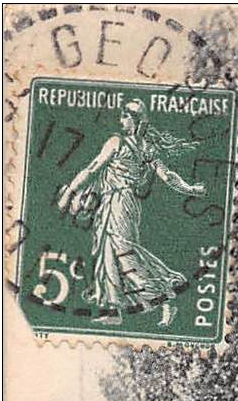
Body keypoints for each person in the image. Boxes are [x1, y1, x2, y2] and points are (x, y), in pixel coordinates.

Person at [56, 99, 206, 327]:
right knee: (108, 254)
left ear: (134, 120)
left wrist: (69, 192)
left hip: (121, 203)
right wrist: (190, 189)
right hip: (114, 202)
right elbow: (167, 176)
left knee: (124, 253)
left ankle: (164, 299)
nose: (120, 120)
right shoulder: (144, 148)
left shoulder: (119, 142)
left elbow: (93, 168)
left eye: (124, 116)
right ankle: (114, 310)